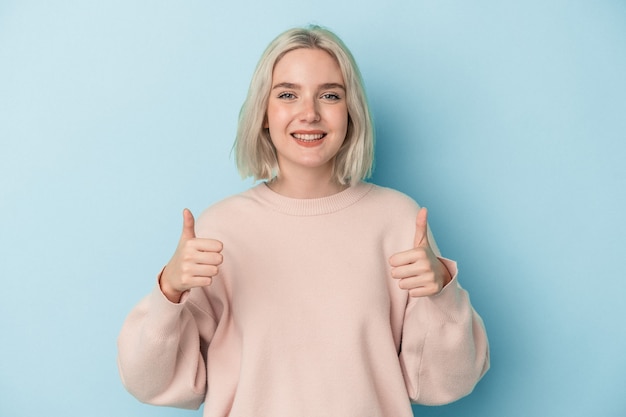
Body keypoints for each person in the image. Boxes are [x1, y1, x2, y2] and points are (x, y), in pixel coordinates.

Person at [117, 25, 489, 417]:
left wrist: (441, 294)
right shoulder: (220, 231)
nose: (309, 113)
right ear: (263, 112)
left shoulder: (398, 221)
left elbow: (448, 383)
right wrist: (170, 290)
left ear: (351, 111)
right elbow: (150, 383)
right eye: (287, 95)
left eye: (329, 95)